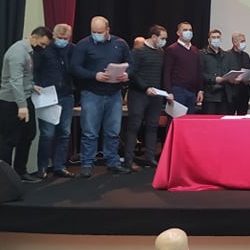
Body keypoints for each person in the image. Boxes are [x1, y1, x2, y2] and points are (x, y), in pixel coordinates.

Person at [70, 15, 132, 178]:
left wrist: (127, 75)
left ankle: (113, 162)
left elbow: (131, 63)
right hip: (92, 93)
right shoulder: (83, 45)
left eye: (100, 32)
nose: (96, 34)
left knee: (113, 131)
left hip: (114, 93)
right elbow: (75, 67)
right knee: (90, 132)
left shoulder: (120, 43)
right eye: (94, 32)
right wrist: (94, 75)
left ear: (108, 30)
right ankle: (87, 164)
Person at [0, 26, 52, 183]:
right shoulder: (18, 52)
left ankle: (20, 172)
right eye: (42, 44)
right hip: (11, 102)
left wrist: (32, 86)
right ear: (34, 37)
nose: (43, 48)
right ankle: (5, 177)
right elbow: (15, 81)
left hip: (25, 97)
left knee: (28, 135)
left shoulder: (28, 51)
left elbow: (24, 76)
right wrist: (21, 106)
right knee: (10, 140)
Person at [124, 24, 169, 171]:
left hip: (156, 95)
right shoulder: (138, 51)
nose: (164, 41)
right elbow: (132, 73)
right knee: (134, 126)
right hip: (138, 94)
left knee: (152, 125)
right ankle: (128, 160)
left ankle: (150, 157)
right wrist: (145, 87)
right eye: (162, 38)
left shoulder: (161, 52)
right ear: (154, 37)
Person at [33, 23, 75, 179]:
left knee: (65, 133)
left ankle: (60, 166)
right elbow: (36, 70)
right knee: (47, 134)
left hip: (67, 95)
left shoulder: (72, 50)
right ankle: (42, 167)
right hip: (47, 96)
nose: (63, 41)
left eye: (66, 38)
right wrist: (36, 85)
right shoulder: (44, 50)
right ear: (53, 37)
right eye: (60, 38)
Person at [164, 21, 203, 114]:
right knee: (176, 118)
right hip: (177, 90)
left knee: (189, 119)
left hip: (192, 91)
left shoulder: (195, 50)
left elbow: (199, 71)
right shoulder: (172, 49)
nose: (188, 32)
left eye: (190, 30)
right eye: (185, 30)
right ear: (178, 33)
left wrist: (200, 90)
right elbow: (166, 72)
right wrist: (169, 92)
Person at [223, 32, 250, 116]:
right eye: (242, 41)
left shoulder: (246, 55)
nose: (244, 43)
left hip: (244, 93)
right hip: (231, 94)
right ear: (234, 42)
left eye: (244, 41)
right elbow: (223, 72)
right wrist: (231, 79)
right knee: (229, 117)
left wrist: (249, 79)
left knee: (243, 117)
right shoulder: (226, 55)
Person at [200, 28, 228, 115]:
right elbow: (200, 73)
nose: (216, 39)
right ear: (209, 40)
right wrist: (214, 79)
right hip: (209, 95)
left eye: (218, 37)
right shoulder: (202, 54)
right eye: (214, 37)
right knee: (209, 120)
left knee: (223, 120)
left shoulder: (225, 54)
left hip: (223, 95)